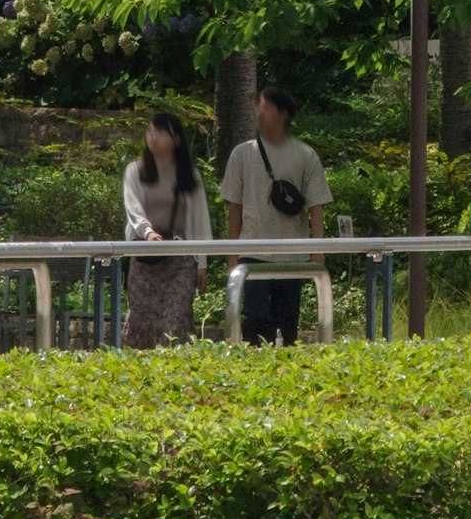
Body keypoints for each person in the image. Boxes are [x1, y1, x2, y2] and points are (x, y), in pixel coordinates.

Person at [219, 85, 331, 344]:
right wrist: (232, 253)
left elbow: (316, 206)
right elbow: (234, 206)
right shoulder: (241, 154)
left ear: (282, 114)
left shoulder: (305, 155)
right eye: (259, 106)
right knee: (255, 319)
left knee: (287, 322)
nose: (259, 112)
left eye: (266, 106)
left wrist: (318, 251)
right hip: (252, 250)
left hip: (293, 253)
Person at [119, 110, 206, 349]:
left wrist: (203, 262)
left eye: (160, 131)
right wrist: (147, 232)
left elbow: (199, 219)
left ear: (176, 138)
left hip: (180, 258)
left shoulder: (190, 175)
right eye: (149, 131)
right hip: (145, 257)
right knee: (141, 324)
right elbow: (133, 206)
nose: (153, 137)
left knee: (175, 322)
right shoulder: (135, 171)